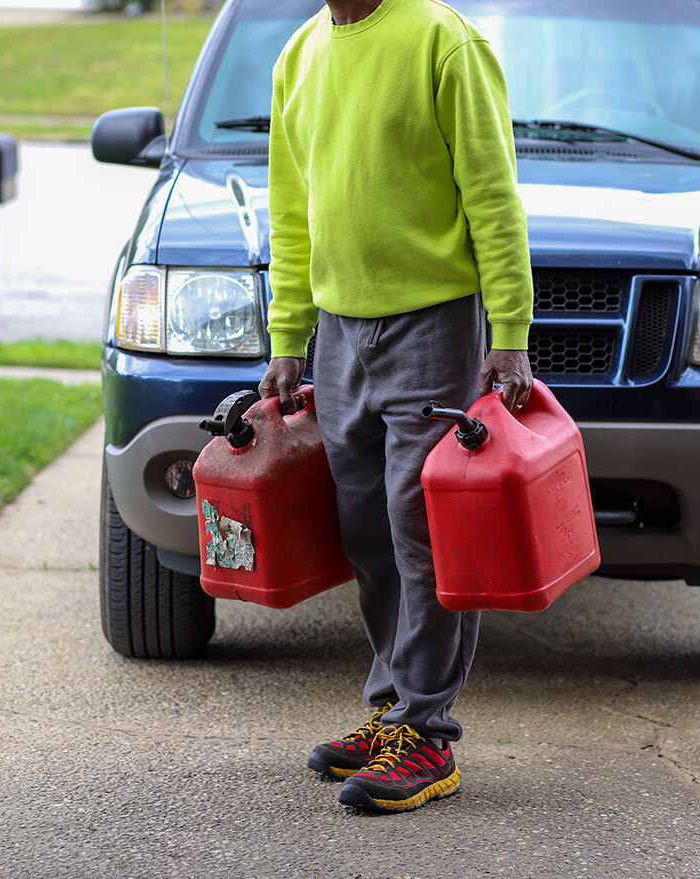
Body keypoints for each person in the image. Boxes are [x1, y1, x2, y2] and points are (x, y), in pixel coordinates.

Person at [258, 0, 533, 813]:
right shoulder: (298, 56)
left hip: (434, 320)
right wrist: (287, 336)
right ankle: (393, 709)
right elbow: (291, 212)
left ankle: (427, 731)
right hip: (340, 329)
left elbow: (493, 195)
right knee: (367, 530)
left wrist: (510, 331)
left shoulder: (443, 40)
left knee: (423, 528)